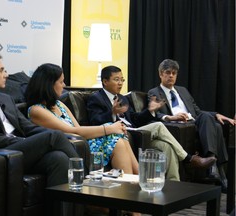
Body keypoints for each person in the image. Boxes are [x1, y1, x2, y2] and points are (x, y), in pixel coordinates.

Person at [0, 52, 79, 187]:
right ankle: (86, 181)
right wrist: (29, 141)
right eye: (1, 71)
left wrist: (47, 139)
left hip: (17, 151)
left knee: (58, 158)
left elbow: (28, 127)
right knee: (55, 135)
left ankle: (61, 207)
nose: (6, 75)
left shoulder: (6, 99)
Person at [86, 65, 217, 182]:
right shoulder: (96, 98)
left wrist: (150, 110)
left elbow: (134, 119)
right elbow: (95, 121)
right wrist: (112, 113)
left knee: (167, 147)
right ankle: (189, 159)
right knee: (159, 126)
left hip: (135, 132)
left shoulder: (122, 98)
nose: (120, 83)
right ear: (105, 81)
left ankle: (174, 186)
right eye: (116, 79)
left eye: (122, 79)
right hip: (120, 134)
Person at [25, 63, 139, 176]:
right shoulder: (36, 110)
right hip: (70, 146)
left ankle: (137, 177)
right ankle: (131, 182)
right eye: (61, 82)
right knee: (115, 137)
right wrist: (109, 128)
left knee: (119, 136)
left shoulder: (59, 104)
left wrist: (113, 128)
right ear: (49, 85)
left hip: (80, 143)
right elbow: (72, 131)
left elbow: (78, 128)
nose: (64, 85)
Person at [148, 59, 235, 191]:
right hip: (176, 125)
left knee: (209, 118)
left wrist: (216, 114)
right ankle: (218, 171)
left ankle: (212, 163)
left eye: (174, 73)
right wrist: (171, 117)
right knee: (216, 127)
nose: (171, 75)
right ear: (161, 74)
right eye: (167, 72)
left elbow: (198, 112)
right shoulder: (154, 92)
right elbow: (154, 114)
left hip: (192, 122)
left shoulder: (183, 90)